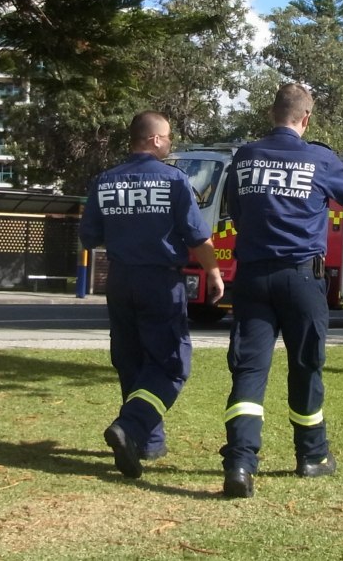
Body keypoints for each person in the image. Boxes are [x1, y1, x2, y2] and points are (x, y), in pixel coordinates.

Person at [219, 83, 343, 498]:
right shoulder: (320, 159)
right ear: (306, 119)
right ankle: (312, 457)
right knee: (306, 366)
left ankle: (239, 462)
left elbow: (236, 211)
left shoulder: (245, 157)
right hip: (303, 277)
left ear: (272, 114)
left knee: (250, 369)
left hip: (252, 277)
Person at [79, 110, 224, 479]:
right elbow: (198, 237)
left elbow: (89, 237)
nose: (171, 143)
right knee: (172, 364)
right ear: (155, 140)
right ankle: (131, 426)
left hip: (120, 280)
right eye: (169, 137)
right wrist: (213, 271)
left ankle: (147, 441)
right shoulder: (174, 180)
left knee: (131, 360)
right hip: (160, 281)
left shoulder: (104, 181)